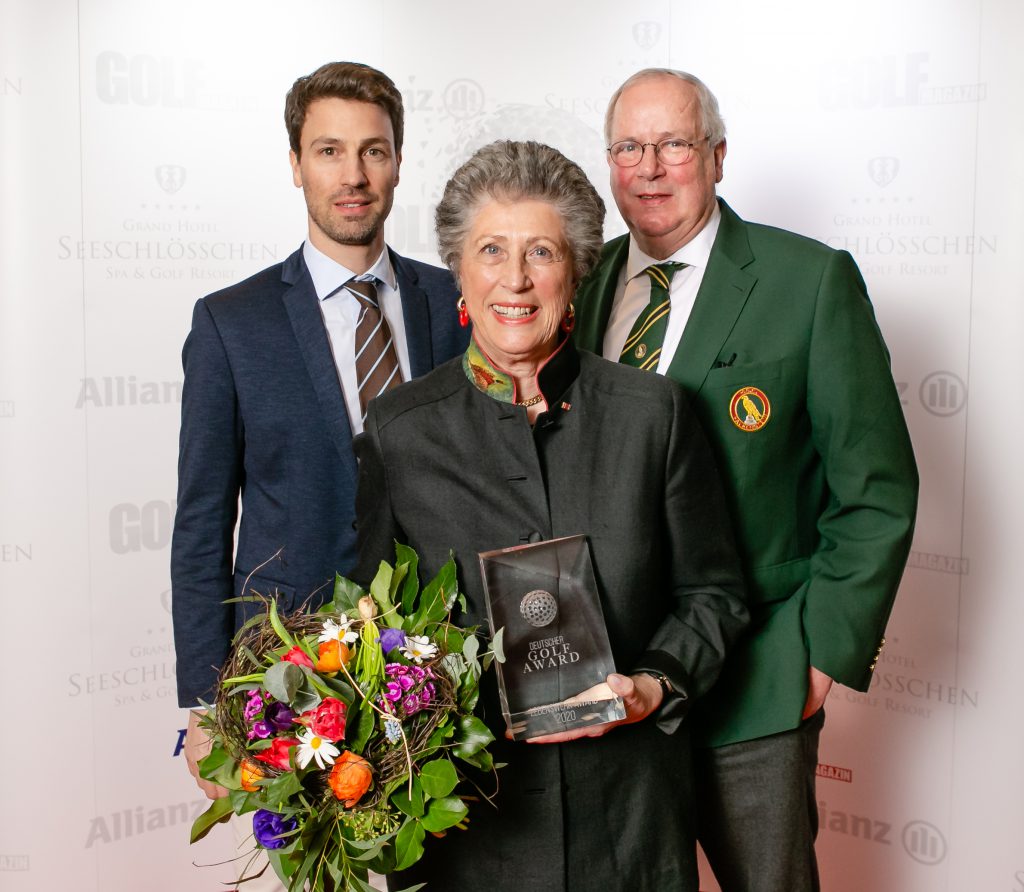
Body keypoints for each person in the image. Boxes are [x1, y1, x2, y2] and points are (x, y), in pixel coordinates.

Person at [353, 139, 748, 891]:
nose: (516, 279)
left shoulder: (653, 416)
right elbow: (373, 632)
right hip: (474, 831)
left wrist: (654, 684)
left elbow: (714, 595)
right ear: (459, 273)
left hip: (631, 823)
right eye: (491, 250)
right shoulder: (399, 432)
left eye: (541, 252)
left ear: (575, 272)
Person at [574, 68, 919, 891]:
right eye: (629, 147)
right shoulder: (579, 287)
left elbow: (876, 489)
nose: (650, 167)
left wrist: (818, 660)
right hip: (612, 691)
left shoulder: (809, 282)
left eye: (674, 145)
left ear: (718, 156)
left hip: (757, 685)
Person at [171, 61, 468, 885]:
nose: (354, 175)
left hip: (435, 669)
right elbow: (201, 522)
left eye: (373, 151)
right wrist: (201, 702)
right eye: (330, 151)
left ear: (399, 161)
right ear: (296, 162)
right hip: (290, 679)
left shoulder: (453, 301)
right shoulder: (232, 323)